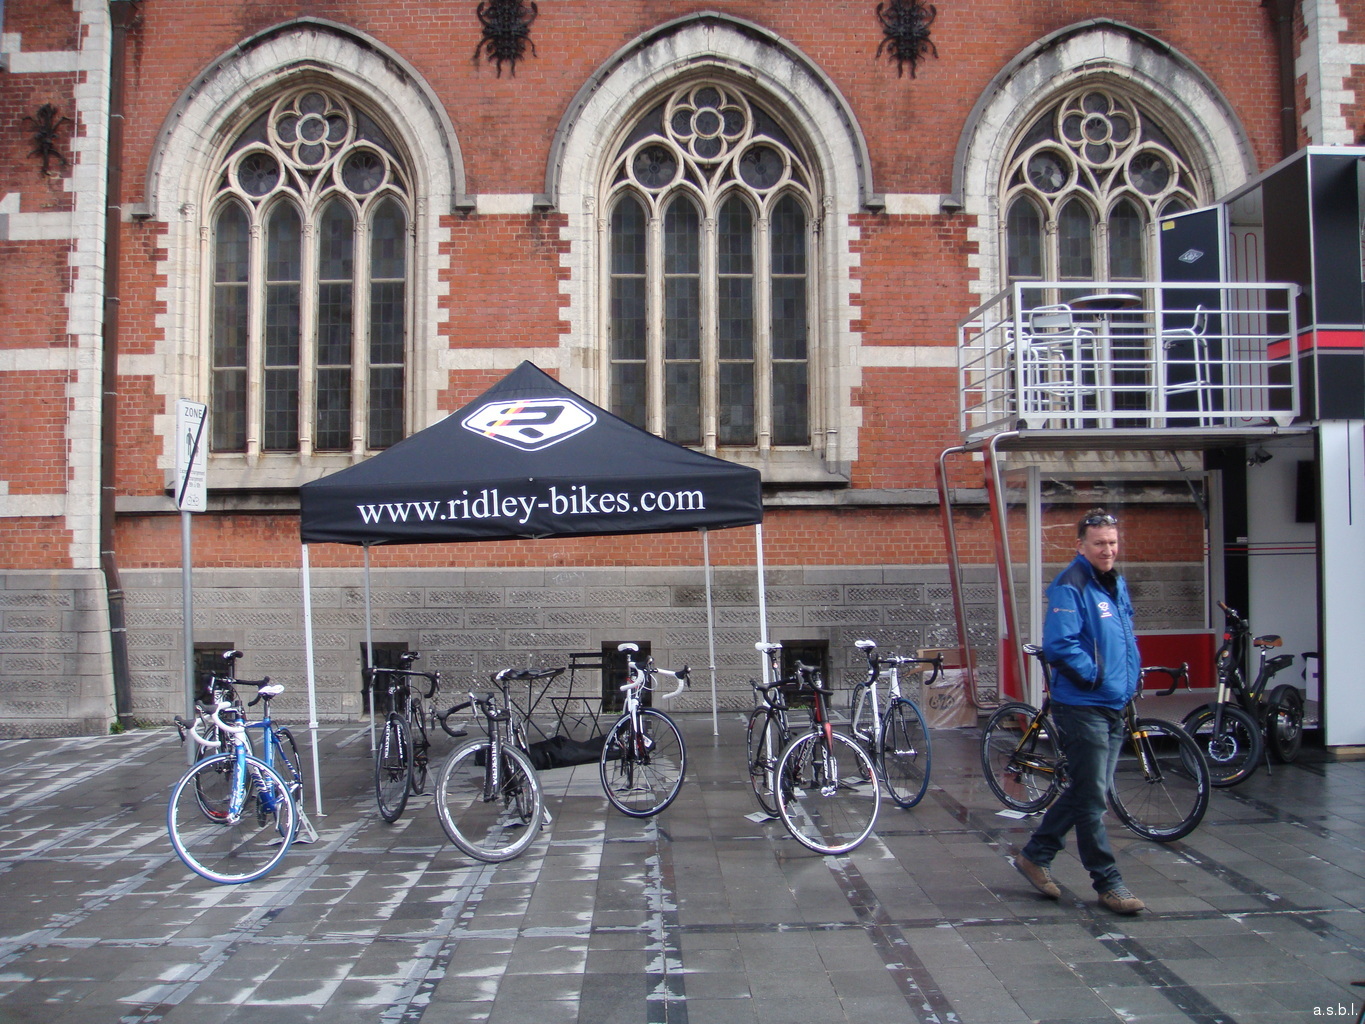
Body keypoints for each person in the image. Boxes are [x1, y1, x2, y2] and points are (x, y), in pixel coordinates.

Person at [1013, 508, 1146, 915]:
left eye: (1112, 542)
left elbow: (1124, 635)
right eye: (1099, 543)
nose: (1108, 550)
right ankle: (1108, 883)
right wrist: (1096, 678)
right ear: (1081, 546)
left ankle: (1035, 855)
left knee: (1091, 789)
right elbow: (1060, 645)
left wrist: (1130, 678)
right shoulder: (1070, 585)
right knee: (1092, 799)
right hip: (1083, 705)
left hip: (1114, 703)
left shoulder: (1115, 582)